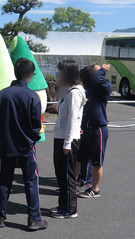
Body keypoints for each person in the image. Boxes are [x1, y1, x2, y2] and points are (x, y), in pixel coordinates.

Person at [0, 58, 48, 231]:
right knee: (30, 181)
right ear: (29, 75)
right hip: (26, 147)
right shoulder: (32, 96)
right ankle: (34, 218)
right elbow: (36, 123)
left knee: (4, 182)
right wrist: (33, 137)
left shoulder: (4, 94)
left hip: (6, 146)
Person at [51, 60, 86, 219]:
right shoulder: (69, 91)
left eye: (61, 72)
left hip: (67, 140)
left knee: (67, 176)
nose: (59, 75)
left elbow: (73, 119)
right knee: (61, 175)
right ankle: (62, 206)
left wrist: (67, 143)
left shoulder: (74, 93)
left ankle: (70, 210)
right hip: (62, 137)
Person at [77, 64, 112, 198]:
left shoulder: (104, 87)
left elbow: (98, 80)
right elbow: (83, 74)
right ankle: (76, 183)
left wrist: (102, 70)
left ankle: (95, 189)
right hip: (85, 128)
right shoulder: (87, 88)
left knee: (96, 162)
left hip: (98, 128)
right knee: (80, 159)